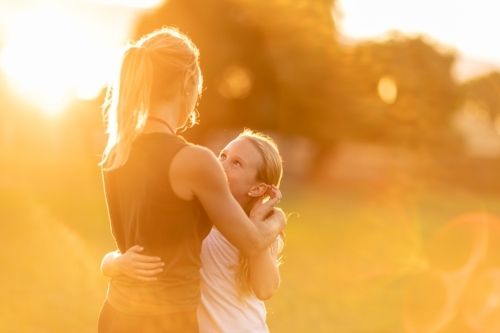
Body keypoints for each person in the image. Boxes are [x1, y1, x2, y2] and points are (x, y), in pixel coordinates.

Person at [97, 27, 286, 333]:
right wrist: (278, 220)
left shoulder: (116, 151)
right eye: (198, 86)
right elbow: (251, 240)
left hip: (116, 314)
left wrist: (112, 263)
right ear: (187, 83)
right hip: (166, 320)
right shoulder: (193, 160)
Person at [102, 129, 285, 333]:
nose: (221, 165)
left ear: (257, 189)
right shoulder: (190, 213)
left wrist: (259, 222)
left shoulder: (262, 230)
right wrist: (117, 263)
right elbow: (110, 261)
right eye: (223, 155)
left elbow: (265, 288)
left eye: (236, 163)